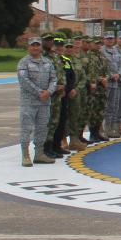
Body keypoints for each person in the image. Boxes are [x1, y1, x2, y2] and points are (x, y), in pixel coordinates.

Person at [16, 37, 57, 166]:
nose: (35, 47)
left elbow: (54, 79)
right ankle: (25, 155)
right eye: (32, 45)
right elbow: (24, 81)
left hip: (45, 102)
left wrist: (49, 91)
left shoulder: (47, 62)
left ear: (41, 47)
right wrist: (40, 92)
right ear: (28, 47)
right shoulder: (24, 63)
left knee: (42, 128)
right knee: (26, 128)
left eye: (37, 45)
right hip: (29, 102)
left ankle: (39, 153)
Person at [49, 37, 77, 155]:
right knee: (52, 121)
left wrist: (69, 89)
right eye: (57, 46)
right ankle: (49, 147)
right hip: (53, 95)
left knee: (61, 120)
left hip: (64, 95)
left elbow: (71, 76)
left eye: (61, 46)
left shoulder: (66, 60)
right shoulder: (48, 60)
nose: (59, 48)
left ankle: (57, 146)